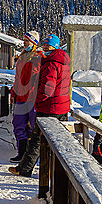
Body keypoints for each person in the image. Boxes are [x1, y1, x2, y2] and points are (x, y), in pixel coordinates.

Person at [13, 34, 71, 177]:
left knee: (37, 140)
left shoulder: (51, 63)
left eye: (48, 46)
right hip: (61, 106)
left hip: (48, 106)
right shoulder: (63, 62)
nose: (45, 48)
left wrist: (37, 101)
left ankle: (26, 169)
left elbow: (47, 89)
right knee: (56, 141)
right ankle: (53, 170)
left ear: (55, 47)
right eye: (44, 45)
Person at [9, 31, 42, 164]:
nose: (24, 43)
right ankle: (21, 153)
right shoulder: (22, 57)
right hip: (21, 97)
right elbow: (17, 78)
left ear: (34, 42)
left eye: (27, 41)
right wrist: (13, 93)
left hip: (33, 98)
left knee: (34, 127)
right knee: (18, 125)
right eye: (24, 41)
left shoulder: (39, 57)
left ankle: (33, 156)